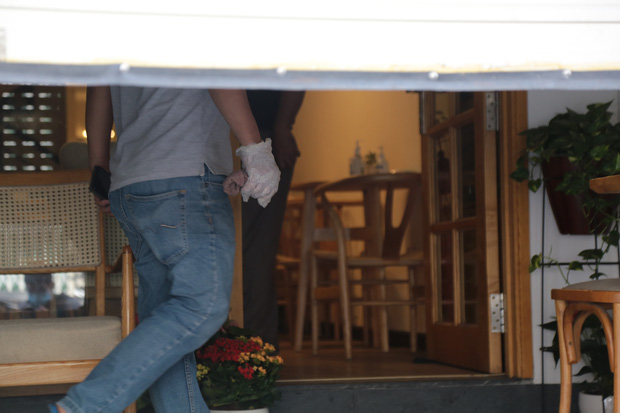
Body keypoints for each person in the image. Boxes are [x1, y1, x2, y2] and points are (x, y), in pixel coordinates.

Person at [50, 86, 279, 413]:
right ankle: (83, 406)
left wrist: (99, 167)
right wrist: (256, 149)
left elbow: (99, 87)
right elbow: (214, 69)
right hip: (184, 176)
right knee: (201, 307)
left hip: (131, 184)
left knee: (166, 319)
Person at [242, 90, 305, 350]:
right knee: (252, 251)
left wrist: (283, 126)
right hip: (246, 136)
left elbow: (296, 75)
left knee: (256, 252)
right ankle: (253, 348)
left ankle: (256, 349)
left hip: (262, 138)